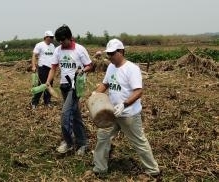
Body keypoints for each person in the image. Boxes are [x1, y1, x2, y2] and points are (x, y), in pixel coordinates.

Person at [92, 39, 160, 177]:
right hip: (111, 112)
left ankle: (153, 171)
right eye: (108, 54)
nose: (109, 56)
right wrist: (95, 95)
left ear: (121, 52)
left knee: (139, 142)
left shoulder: (131, 69)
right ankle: (100, 169)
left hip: (129, 114)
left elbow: (138, 91)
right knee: (102, 138)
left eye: (112, 53)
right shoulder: (111, 67)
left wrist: (124, 104)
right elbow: (105, 84)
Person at [46, 25, 93, 155]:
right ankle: (83, 143)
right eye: (59, 41)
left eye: (63, 40)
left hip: (75, 86)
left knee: (65, 115)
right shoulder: (58, 50)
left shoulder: (79, 49)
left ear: (69, 38)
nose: (61, 43)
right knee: (76, 115)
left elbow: (89, 65)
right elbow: (54, 68)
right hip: (64, 86)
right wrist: (49, 81)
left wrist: (82, 70)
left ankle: (68, 142)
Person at [31, 30, 55, 109]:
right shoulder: (40, 45)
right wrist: (34, 66)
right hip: (43, 68)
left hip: (50, 69)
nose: (52, 39)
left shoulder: (52, 46)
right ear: (46, 37)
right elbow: (34, 55)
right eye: (51, 37)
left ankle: (47, 101)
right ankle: (34, 102)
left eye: (52, 37)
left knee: (49, 85)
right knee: (41, 85)